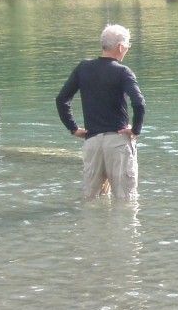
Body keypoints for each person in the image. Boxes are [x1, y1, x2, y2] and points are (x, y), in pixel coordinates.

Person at [55, 23, 145, 199]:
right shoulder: (123, 72)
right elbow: (139, 103)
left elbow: (61, 99)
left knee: (92, 199)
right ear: (120, 47)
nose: (127, 49)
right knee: (126, 199)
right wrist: (135, 130)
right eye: (127, 45)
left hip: (92, 142)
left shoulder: (83, 68)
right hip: (118, 143)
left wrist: (73, 128)